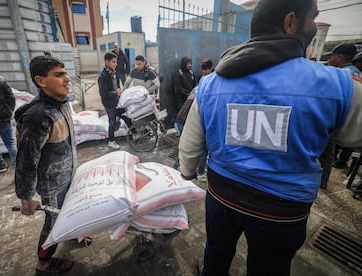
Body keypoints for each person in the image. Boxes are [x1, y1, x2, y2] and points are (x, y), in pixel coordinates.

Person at [178, 0, 362, 275]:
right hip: (282, 211)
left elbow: (190, 144)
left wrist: (188, 172)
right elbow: (353, 137)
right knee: (269, 268)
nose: (314, 26)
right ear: (291, 22)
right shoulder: (338, 86)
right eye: (313, 18)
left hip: (222, 196)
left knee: (217, 251)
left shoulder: (211, 84)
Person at [14, 55, 76, 275]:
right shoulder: (38, 117)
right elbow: (26, 162)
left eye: (65, 73)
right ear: (41, 81)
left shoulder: (62, 105)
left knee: (69, 210)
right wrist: (26, 197)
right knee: (54, 221)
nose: (67, 79)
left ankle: (72, 233)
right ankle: (44, 261)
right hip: (52, 184)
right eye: (59, 75)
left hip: (67, 174)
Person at [324, 44, 362, 169]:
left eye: (331, 56)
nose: (329, 60)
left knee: (326, 152)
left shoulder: (341, 74)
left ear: (340, 57)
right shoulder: (356, 72)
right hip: (354, 120)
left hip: (339, 116)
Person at [98, 51, 133, 150]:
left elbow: (116, 86)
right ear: (107, 62)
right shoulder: (103, 76)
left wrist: (118, 91)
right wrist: (115, 93)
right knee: (112, 121)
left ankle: (134, 133)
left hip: (116, 101)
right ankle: (111, 141)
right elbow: (103, 93)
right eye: (113, 62)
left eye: (116, 62)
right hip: (109, 104)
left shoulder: (113, 73)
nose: (116, 64)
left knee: (126, 116)